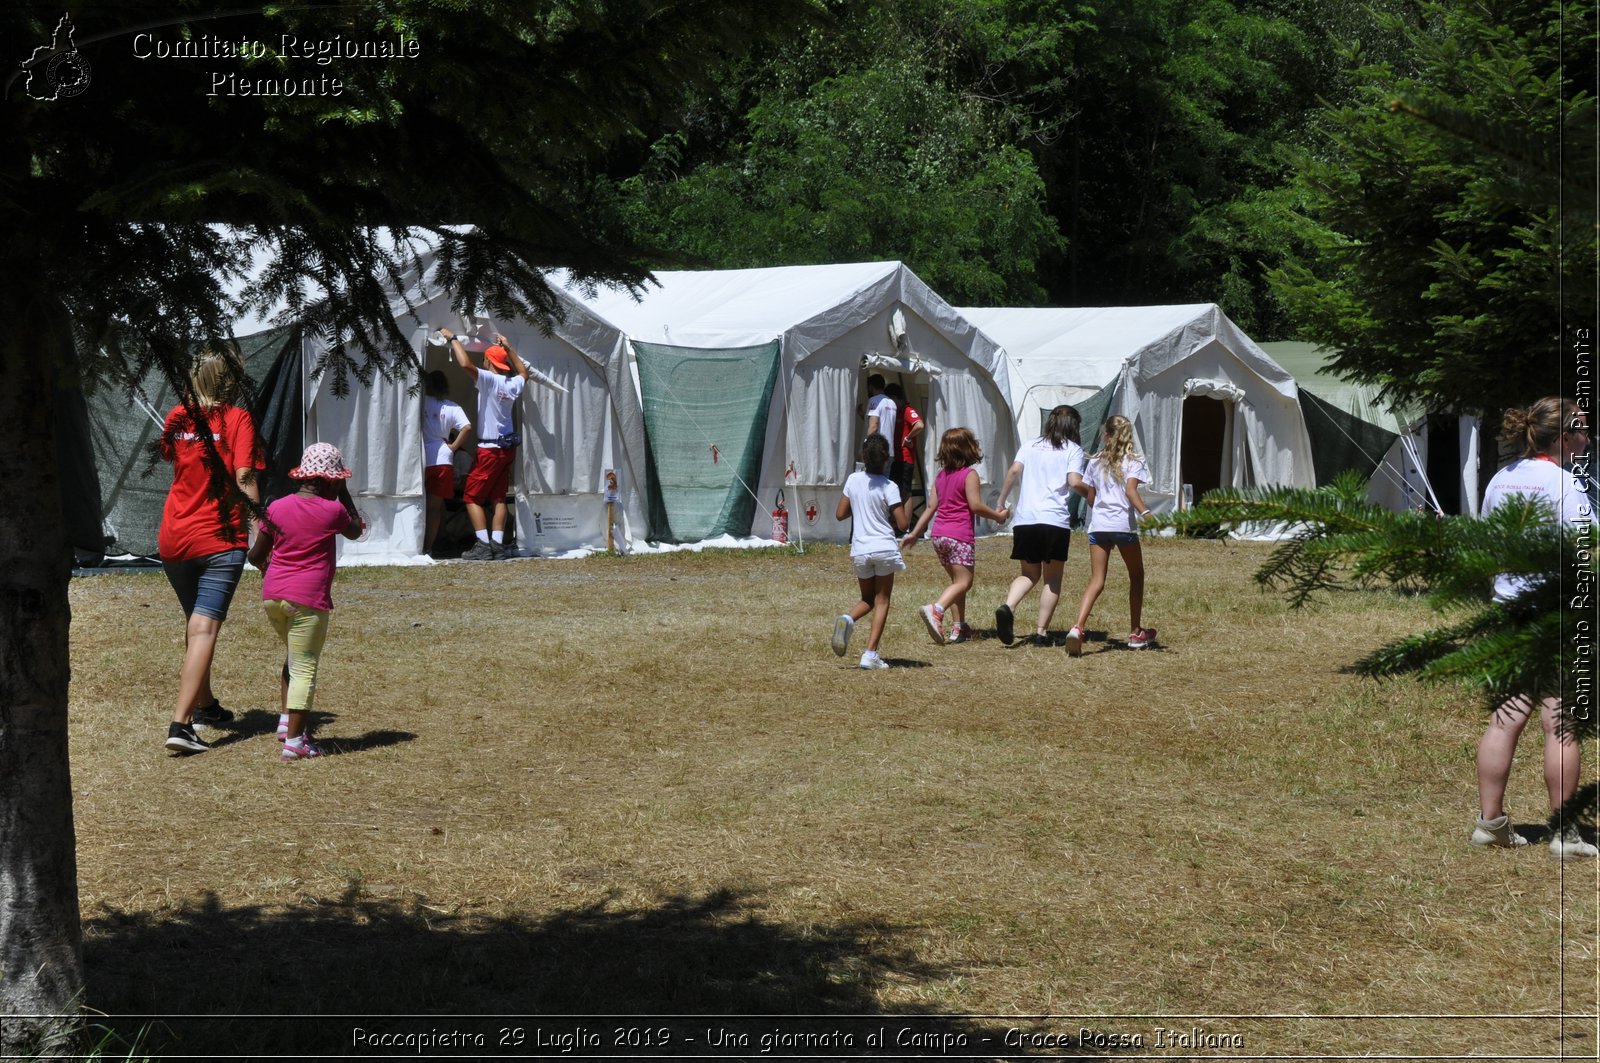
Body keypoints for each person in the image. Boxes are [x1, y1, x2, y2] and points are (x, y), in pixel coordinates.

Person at [1472, 397, 1595, 859]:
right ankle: (1564, 834)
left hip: (1509, 610)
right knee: (1560, 722)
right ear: (1563, 437)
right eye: (1582, 429)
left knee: (1506, 718)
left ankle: (1490, 824)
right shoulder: (1564, 484)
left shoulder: (1502, 478)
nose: (1589, 437)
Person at [159, 347, 265, 755]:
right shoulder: (237, 419)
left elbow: (171, 455)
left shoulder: (177, 416)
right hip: (219, 540)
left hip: (173, 537)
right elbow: (245, 476)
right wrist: (261, 534)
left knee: (194, 624)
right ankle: (181, 724)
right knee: (203, 629)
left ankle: (205, 706)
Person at [246, 443, 365, 763]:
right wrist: (345, 494)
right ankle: (296, 743)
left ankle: (287, 723)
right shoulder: (333, 510)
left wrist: (268, 567)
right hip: (308, 600)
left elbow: (255, 555)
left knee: (294, 656)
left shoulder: (276, 508)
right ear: (332, 480)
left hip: (273, 598)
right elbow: (356, 531)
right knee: (304, 667)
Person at [901, 427, 1009, 644]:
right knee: (965, 582)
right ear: (968, 449)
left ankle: (959, 628)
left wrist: (914, 533)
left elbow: (930, 508)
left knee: (956, 581)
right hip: (958, 535)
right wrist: (998, 517)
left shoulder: (940, 477)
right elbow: (975, 505)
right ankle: (937, 609)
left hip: (939, 536)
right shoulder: (970, 475)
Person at [992, 405, 1088, 646]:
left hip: (1025, 520)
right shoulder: (1073, 449)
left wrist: (1001, 502)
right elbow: (1074, 482)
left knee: (1029, 574)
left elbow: (1014, 471)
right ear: (1074, 426)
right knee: (1052, 579)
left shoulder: (1030, 445)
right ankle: (1041, 632)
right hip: (1054, 520)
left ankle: (1008, 606)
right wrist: (1093, 495)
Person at [1064, 415, 1156, 656]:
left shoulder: (1095, 461)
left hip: (1098, 526)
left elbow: (1091, 499)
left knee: (1097, 580)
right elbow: (1130, 491)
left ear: (1106, 434)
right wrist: (1147, 513)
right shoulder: (1134, 460)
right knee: (1136, 576)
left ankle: (1078, 627)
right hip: (1122, 527)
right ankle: (1136, 632)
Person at [440, 327, 531, 560]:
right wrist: (510, 350)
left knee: (471, 498)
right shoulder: (512, 384)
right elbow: (524, 373)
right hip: (507, 449)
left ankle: (482, 544)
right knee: (499, 497)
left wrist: (453, 339)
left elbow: (464, 365)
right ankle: (498, 545)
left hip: (489, 450)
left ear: (488, 361)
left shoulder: (489, 380)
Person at [831, 434, 907, 670]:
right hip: (884, 547)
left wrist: (861, 505)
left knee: (867, 598)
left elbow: (840, 514)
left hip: (861, 550)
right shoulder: (889, 486)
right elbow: (903, 524)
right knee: (882, 600)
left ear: (864, 457)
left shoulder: (854, 480)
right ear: (886, 459)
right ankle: (870, 653)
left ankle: (848, 619)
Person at [421, 370, 472, 557]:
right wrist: (453, 447)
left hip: (421, 457)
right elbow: (467, 427)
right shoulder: (452, 406)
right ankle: (428, 547)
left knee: (420, 504)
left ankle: (418, 543)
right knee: (435, 507)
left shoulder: (419, 403)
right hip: (443, 458)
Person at [884, 381, 924, 505]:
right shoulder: (896, 411)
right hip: (896, 457)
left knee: (905, 492)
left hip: (906, 458)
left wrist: (908, 438)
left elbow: (919, 425)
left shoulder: (907, 410)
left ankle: (905, 524)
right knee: (895, 490)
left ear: (894, 398)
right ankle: (898, 521)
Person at [864, 373, 897, 452]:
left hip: (877, 451)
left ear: (871, 387)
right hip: (889, 450)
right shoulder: (892, 402)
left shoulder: (874, 400)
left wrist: (865, 445)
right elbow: (884, 421)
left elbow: (874, 426)